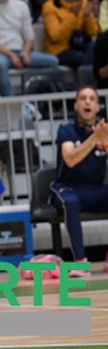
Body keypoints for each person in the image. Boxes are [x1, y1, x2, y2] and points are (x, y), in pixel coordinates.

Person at [51, 85, 108, 275]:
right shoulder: (66, 130)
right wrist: (94, 138)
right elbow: (70, 159)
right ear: (76, 105)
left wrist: (105, 141)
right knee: (70, 202)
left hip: (96, 188)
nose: (87, 102)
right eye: (83, 98)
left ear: (98, 107)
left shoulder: (104, 131)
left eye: (92, 98)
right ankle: (80, 261)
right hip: (67, 187)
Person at [42, 0, 99, 68]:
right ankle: (87, 81)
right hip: (59, 50)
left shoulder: (83, 2)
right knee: (82, 57)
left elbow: (93, 32)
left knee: (95, 48)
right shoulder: (49, 7)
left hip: (81, 45)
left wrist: (87, 16)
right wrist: (73, 16)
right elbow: (55, 36)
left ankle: (87, 80)